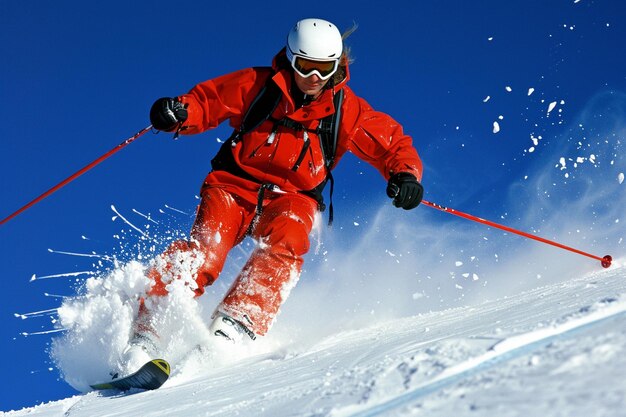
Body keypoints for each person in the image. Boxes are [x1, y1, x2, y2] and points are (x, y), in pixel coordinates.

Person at [123, 17, 424, 368]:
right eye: (307, 66)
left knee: (290, 240)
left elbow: (391, 144)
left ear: (336, 66)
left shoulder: (346, 109)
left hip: (293, 197)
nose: (315, 77)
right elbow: (208, 101)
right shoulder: (258, 85)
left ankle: (236, 326)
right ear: (291, 59)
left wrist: (405, 176)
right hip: (233, 186)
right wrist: (179, 112)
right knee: (206, 252)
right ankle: (148, 329)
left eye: (324, 68)